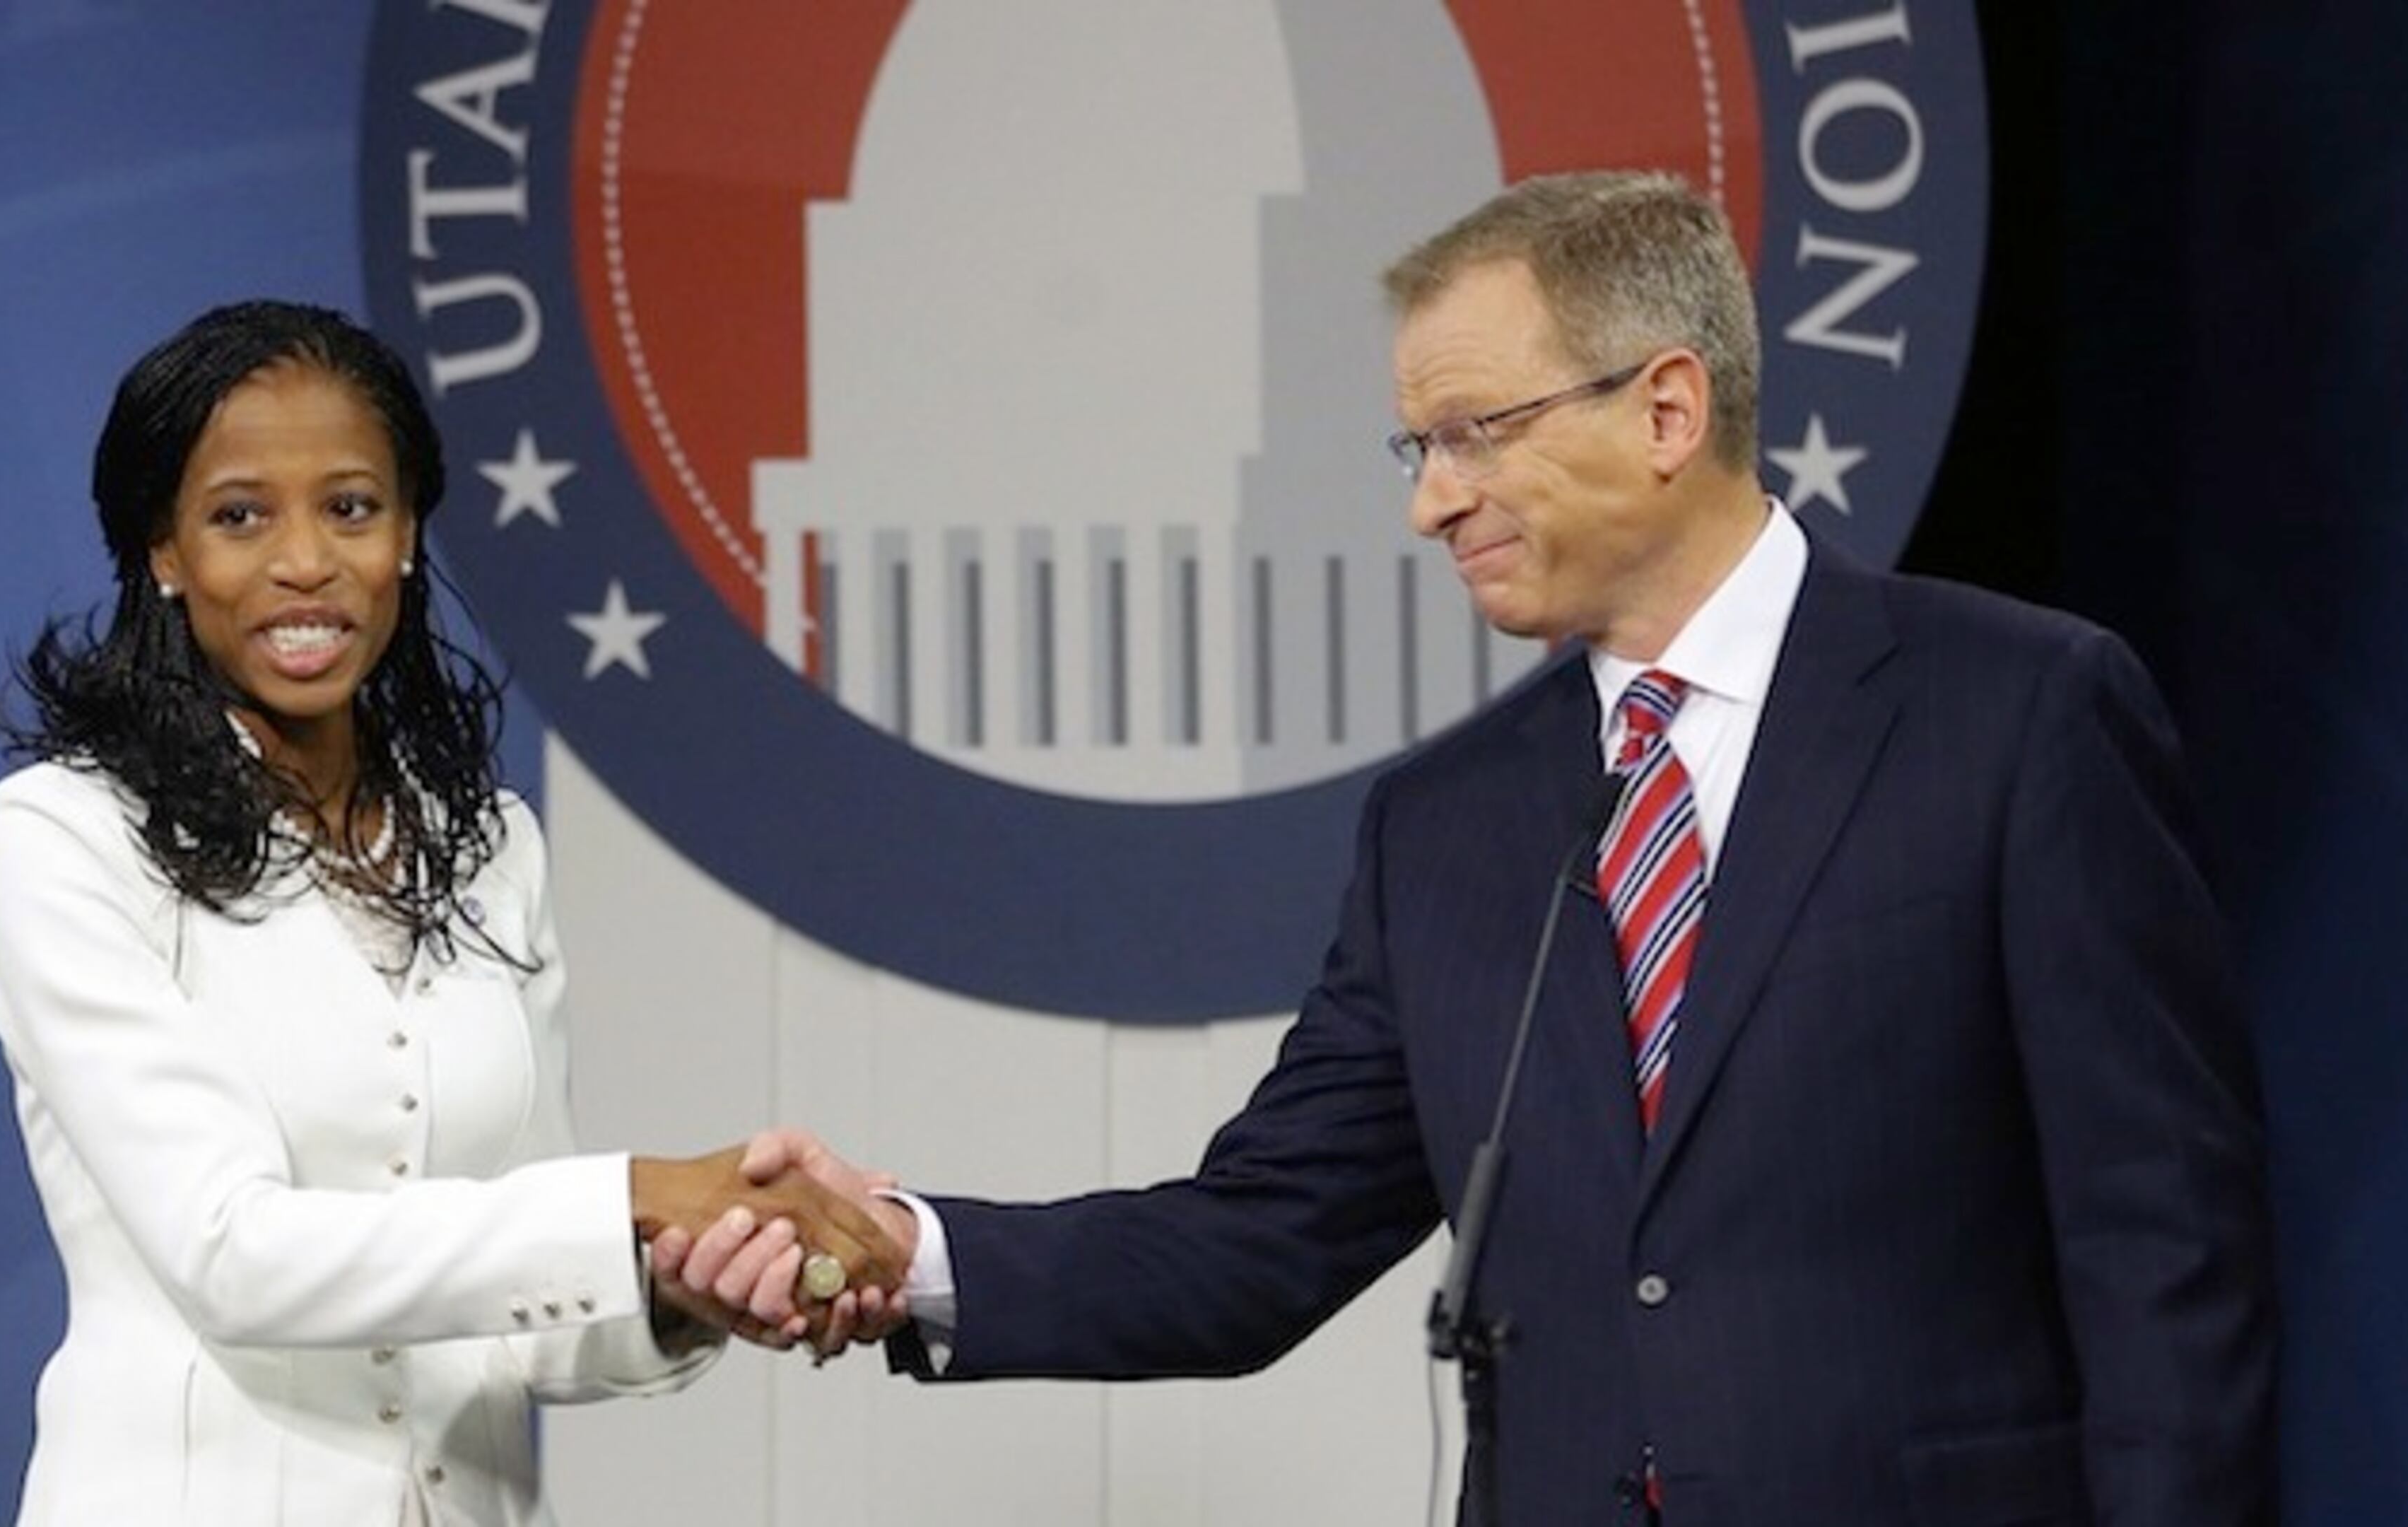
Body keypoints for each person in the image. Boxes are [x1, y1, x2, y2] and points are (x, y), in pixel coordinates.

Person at [680, 172, 2278, 1526]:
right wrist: (910, 1251)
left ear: (1667, 408)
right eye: (1418, 451)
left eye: (1475, 434)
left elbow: (2165, 1250)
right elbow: (1261, 1238)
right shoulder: (1446, 826)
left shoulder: (2016, 714)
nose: (1432, 505)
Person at [0, 300, 901, 1526]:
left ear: (407, 533)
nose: (306, 560)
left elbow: (527, 1310)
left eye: (351, 507)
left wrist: (685, 1284)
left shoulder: (488, 843)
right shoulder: (64, 836)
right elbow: (231, 1257)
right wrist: (645, 1192)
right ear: (165, 552)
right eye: (240, 516)